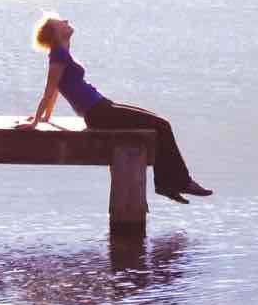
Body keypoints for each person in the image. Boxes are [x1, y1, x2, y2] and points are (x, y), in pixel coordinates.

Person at [21, 12, 213, 204]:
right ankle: (179, 182)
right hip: (99, 113)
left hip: (103, 107)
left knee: (159, 124)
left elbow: (57, 88)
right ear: (55, 34)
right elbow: (49, 89)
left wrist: (46, 117)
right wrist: (37, 121)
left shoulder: (62, 50)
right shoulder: (58, 54)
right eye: (60, 23)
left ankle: (168, 184)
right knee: (162, 125)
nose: (66, 21)